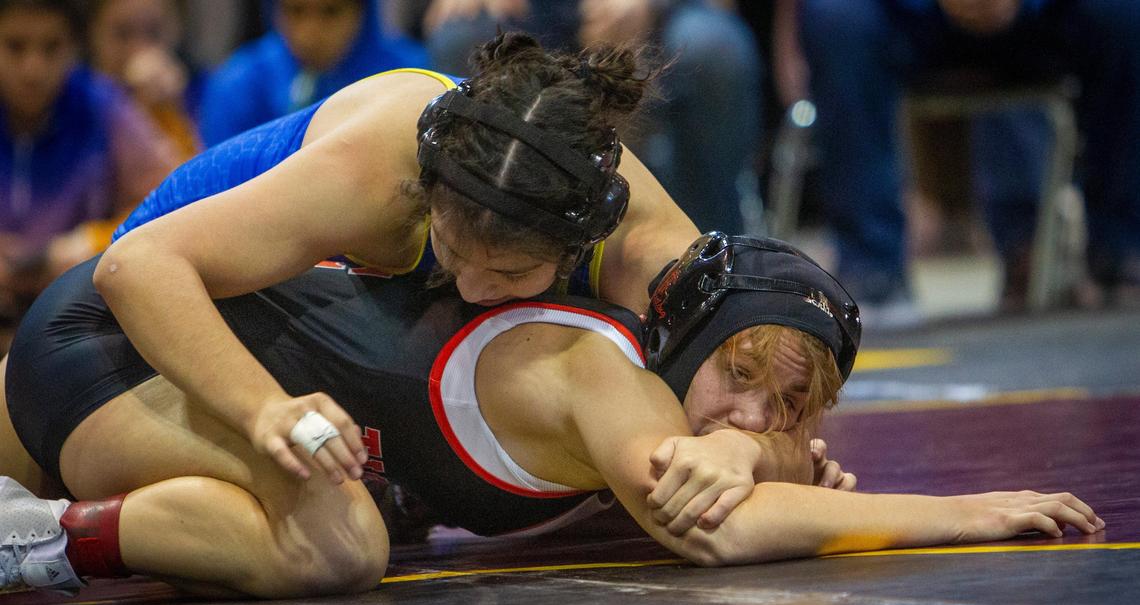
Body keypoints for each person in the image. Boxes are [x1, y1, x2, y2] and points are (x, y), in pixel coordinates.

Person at [0, 232, 1102, 597]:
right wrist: (973, 509)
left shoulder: (639, 399)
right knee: (339, 542)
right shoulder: (604, 372)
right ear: (687, 336)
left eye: (785, 407)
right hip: (117, 339)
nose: (751, 417)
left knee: (339, 513)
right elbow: (710, 528)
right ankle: (39, 544)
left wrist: (770, 458)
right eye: (742, 379)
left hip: (123, 355)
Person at [97, 32, 703, 492]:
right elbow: (136, 265)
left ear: (578, 247)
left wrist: (741, 447)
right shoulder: (378, 177)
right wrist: (264, 408)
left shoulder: (635, 231)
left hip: (255, 313)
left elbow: (747, 343)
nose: (472, 284)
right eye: (454, 250)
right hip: (133, 319)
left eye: (510, 274)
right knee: (336, 543)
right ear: (430, 196)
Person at [797, 0, 1140, 315]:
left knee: (1122, 11)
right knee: (836, 15)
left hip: (1038, 16)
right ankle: (872, 273)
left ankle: (1120, 252)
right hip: (911, 16)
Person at [420, 0, 763, 235]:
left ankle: (707, 244)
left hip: (660, 13)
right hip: (534, 10)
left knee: (715, 51)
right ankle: (483, 239)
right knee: (461, 32)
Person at [0, 0, 178, 333]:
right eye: (14, 46)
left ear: (75, 47)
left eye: (51, 48)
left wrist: (90, 243)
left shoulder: (103, 105)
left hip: (76, 307)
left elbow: (173, 198)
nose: (33, 68)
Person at [197, 0, 428, 146]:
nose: (311, 33)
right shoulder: (237, 84)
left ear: (363, 12)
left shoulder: (411, 77)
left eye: (330, 11)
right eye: (295, 11)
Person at [84, 0, 206, 161]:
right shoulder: (76, 102)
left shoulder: (205, 90)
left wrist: (173, 113)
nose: (139, 49)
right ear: (92, 34)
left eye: (154, 33)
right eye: (123, 34)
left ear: (177, 29)